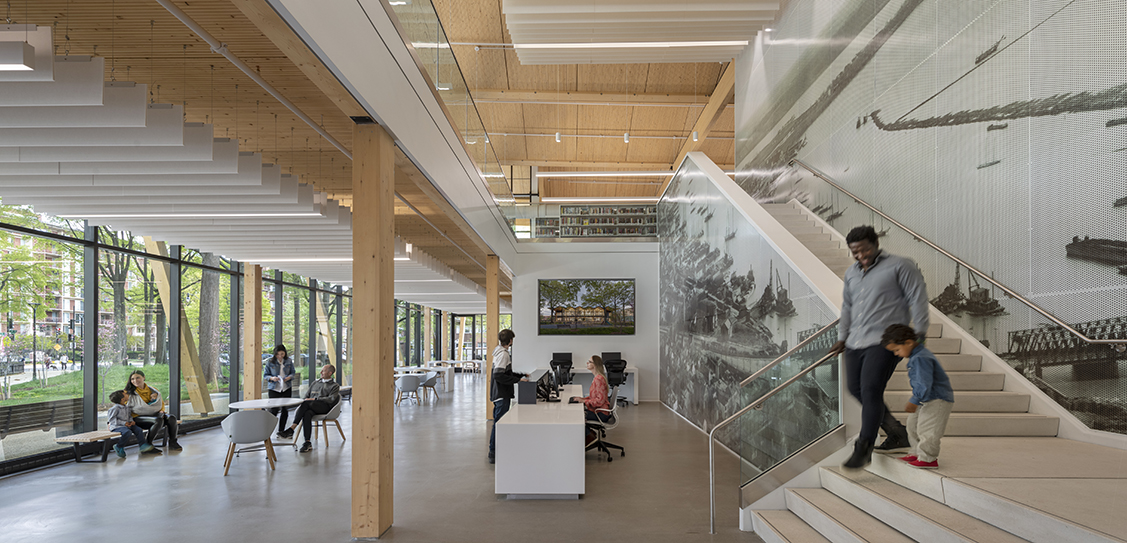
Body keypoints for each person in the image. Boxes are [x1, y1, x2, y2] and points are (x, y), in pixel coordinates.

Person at [829, 225, 929, 469]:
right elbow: (847, 307)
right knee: (855, 388)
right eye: (855, 252)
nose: (861, 255)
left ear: (875, 244)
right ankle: (896, 432)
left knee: (871, 388)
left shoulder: (900, 265)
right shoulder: (851, 273)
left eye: (865, 249)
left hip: (886, 340)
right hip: (855, 340)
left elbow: (917, 298)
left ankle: (864, 447)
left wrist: (919, 334)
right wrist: (842, 337)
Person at [883, 324, 954, 469]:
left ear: (909, 343)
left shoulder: (921, 358)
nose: (896, 354)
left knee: (928, 429)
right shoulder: (916, 357)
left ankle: (928, 458)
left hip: (937, 399)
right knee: (912, 425)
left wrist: (914, 400)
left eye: (897, 349)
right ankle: (916, 452)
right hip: (926, 398)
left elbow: (924, 383)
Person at [279, 364, 340, 453]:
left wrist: (315, 399)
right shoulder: (315, 383)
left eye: (323, 371)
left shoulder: (335, 385)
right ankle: (307, 442)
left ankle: (292, 429)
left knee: (306, 403)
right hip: (311, 407)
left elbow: (331, 399)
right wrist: (310, 400)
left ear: (330, 373)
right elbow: (306, 396)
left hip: (325, 408)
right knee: (307, 413)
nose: (321, 372)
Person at [488, 329, 527, 464]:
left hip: (498, 393)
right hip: (501, 394)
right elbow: (498, 375)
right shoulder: (504, 355)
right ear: (510, 341)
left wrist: (520, 376)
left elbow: (505, 373)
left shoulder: (498, 352)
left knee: (498, 423)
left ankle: (495, 450)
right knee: (499, 424)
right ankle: (493, 452)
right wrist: (517, 380)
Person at [125, 370, 181, 452]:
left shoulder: (153, 390)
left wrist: (162, 411)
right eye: (132, 379)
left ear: (144, 378)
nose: (135, 380)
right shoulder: (128, 393)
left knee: (171, 418)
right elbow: (121, 407)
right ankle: (147, 445)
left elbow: (160, 403)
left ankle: (173, 442)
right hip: (137, 418)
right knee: (158, 420)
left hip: (153, 416)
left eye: (138, 378)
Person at [570, 355, 610, 447]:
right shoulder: (597, 377)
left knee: (577, 416)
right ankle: (588, 435)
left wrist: (584, 402)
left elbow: (599, 401)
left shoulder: (598, 379)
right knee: (578, 413)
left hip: (601, 413)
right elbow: (593, 397)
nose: (587, 363)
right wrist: (582, 399)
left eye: (590, 362)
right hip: (598, 411)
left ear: (595, 365)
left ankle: (589, 436)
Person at [107, 390, 155, 458]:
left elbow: (129, 416)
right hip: (117, 426)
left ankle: (142, 445)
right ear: (122, 399)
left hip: (127, 425)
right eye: (125, 394)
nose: (127, 395)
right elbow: (112, 420)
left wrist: (131, 421)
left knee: (138, 430)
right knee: (127, 432)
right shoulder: (115, 408)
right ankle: (119, 446)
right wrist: (124, 423)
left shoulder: (127, 407)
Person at [264, 345, 296, 436]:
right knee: (274, 410)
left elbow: (293, 372)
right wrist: (272, 378)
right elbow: (266, 375)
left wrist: (289, 377)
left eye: (282, 354)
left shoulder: (289, 361)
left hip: (286, 387)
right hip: (274, 388)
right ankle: (268, 431)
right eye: (278, 354)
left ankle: (281, 431)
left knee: (285, 410)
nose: (280, 356)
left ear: (285, 353)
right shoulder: (270, 362)